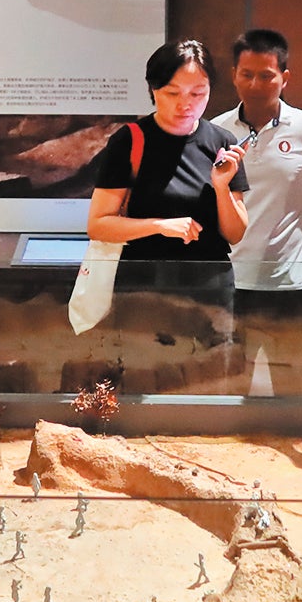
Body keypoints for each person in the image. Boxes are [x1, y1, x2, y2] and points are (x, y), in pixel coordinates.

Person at [87, 39, 250, 391]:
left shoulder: (221, 140)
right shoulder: (129, 141)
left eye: (197, 93)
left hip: (209, 286)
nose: (185, 104)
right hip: (146, 286)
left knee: (209, 382)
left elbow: (235, 233)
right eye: (172, 92)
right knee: (144, 381)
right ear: (153, 89)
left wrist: (221, 186)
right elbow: (98, 225)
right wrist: (161, 225)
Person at [211, 29, 302, 396]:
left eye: (266, 75)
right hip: (231, 284)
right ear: (234, 75)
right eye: (247, 74)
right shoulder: (214, 131)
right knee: (227, 393)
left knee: (293, 395)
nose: (255, 84)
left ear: (284, 77)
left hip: (290, 286)